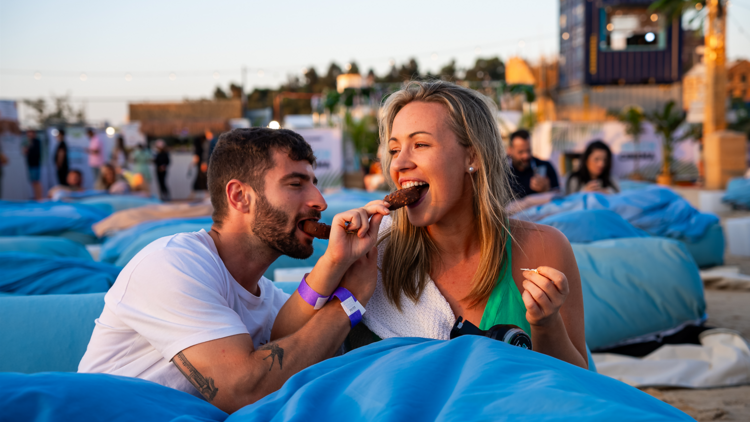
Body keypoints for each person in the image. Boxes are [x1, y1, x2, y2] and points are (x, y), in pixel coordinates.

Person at [79, 128, 389, 413]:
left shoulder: (263, 294)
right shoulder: (172, 264)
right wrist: (351, 300)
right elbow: (243, 390)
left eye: (314, 184)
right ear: (240, 196)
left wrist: (334, 261)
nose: (319, 201)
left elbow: (291, 334)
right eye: (296, 184)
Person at [358, 81, 587, 369]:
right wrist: (337, 264)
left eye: (420, 144)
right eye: (394, 149)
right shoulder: (376, 255)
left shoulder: (543, 248)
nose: (399, 163)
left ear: (473, 156)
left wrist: (546, 324)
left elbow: (579, 386)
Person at [507, 129, 559, 198]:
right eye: (521, 152)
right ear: (510, 151)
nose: (526, 156)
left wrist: (547, 190)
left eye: (528, 151)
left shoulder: (545, 166)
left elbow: (558, 195)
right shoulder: (503, 173)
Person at [23, 130, 43, 200]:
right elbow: (25, 152)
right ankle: (36, 197)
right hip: (30, 164)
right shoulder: (28, 143)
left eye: (30, 134)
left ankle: (39, 197)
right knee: (33, 182)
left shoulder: (37, 142)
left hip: (35, 164)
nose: (29, 135)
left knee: (36, 182)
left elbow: (36, 153)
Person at [190, 135, 209, 199]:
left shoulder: (207, 140)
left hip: (203, 162)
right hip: (202, 162)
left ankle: (205, 193)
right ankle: (205, 193)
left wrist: (203, 162)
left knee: (202, 177)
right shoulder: (200, 140)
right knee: (201, 177)